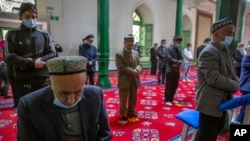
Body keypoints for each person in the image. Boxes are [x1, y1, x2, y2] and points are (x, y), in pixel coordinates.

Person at [17, 56, 112, 141]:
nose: (71, 100)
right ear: (50, 83)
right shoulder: (29, 105)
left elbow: (105, 134)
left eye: (78, 92)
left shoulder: (95, 95)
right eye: (63, 94)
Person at [195, 18, 240, 141]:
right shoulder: (209, 52)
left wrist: (236, 82)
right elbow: (213, 78)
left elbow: (232, 72)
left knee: (215, 131)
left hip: (222, 101)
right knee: (206, 136)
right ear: (216, 34)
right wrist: (235, 85)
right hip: (209, 102)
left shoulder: (225, 51)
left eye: (232, 33)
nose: (231, 36)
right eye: (228, 33)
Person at [4, 3, 56, 108]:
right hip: (23, 80)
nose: (31, 20)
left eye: (33, 17)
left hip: (43, 79)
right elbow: (9, 56)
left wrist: (41, 59)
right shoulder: (12, 34)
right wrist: (31, 63)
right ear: (20, 16)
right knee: (26, 111)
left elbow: (52, 53)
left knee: (45, 109)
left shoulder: (44, 34)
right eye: (27, 16)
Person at [115, 34, 142, 124]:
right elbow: (121, 67)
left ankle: (131, 111)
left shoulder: (136, 53)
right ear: (124, 43)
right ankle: (123, 114)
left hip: (134, 80)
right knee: (123, 99)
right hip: (124, 80)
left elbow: (139, 64)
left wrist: (137, 70)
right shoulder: (119, 54)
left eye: (132, 44)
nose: (130, 46)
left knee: (133, 98)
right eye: (128, 45)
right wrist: (132, 71)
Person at [164, 35, 183, 106]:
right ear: (174, 41)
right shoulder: (168, 49)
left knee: (175, 85)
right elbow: (168, 58)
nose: (179, 43)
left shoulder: (178, 49)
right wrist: (176, 62)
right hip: (170, 70)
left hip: (176, 70)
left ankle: (171, 99)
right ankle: (167, 100)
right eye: (178, 41)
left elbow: (181, 57)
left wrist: (179, 61)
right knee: (169, 85)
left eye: (180, 42)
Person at [236, 51, 250, 124]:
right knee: (245, 108)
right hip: (247, 86)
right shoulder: (248, 56)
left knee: (245, 108)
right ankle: (239, 122)